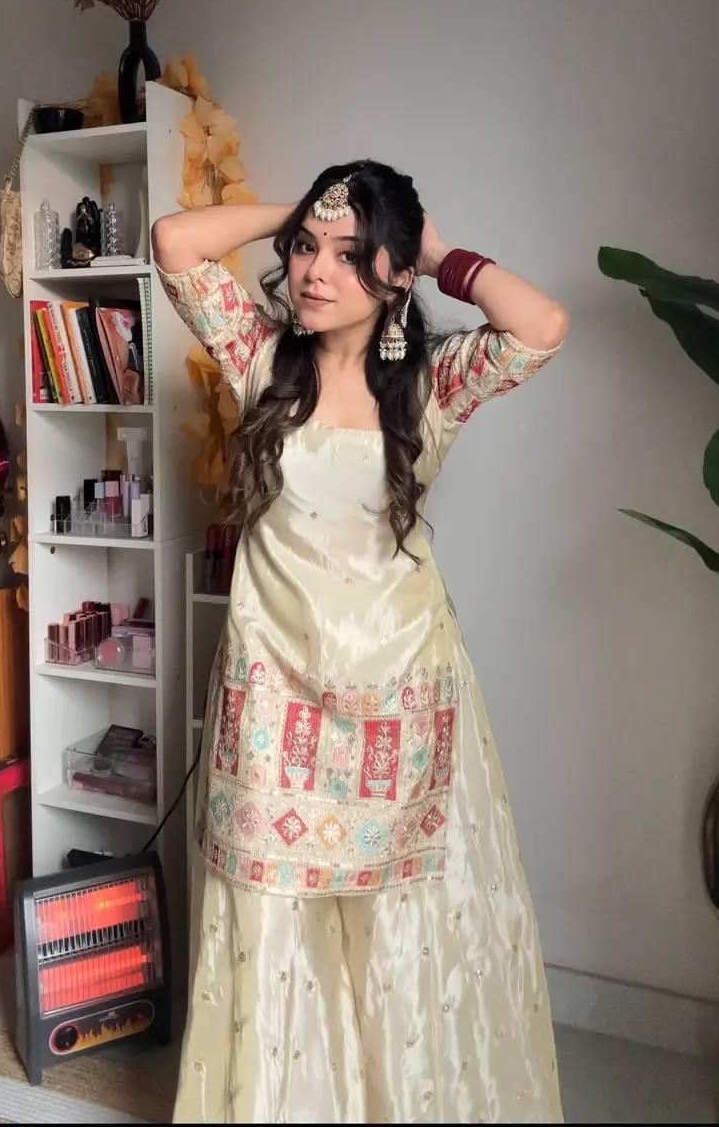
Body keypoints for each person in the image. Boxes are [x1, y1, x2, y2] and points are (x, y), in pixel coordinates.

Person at [152, 159, 569, 1124]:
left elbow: (542, 326)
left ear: (392, 275)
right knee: (271, 927)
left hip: (398, 695)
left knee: (396, 934)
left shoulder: (432, 387)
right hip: (274, 693)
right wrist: (305, 207)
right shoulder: (260, 358)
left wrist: (436, 250)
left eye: (348, 254)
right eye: (306, 248)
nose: (313, 270)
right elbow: (175, 243)